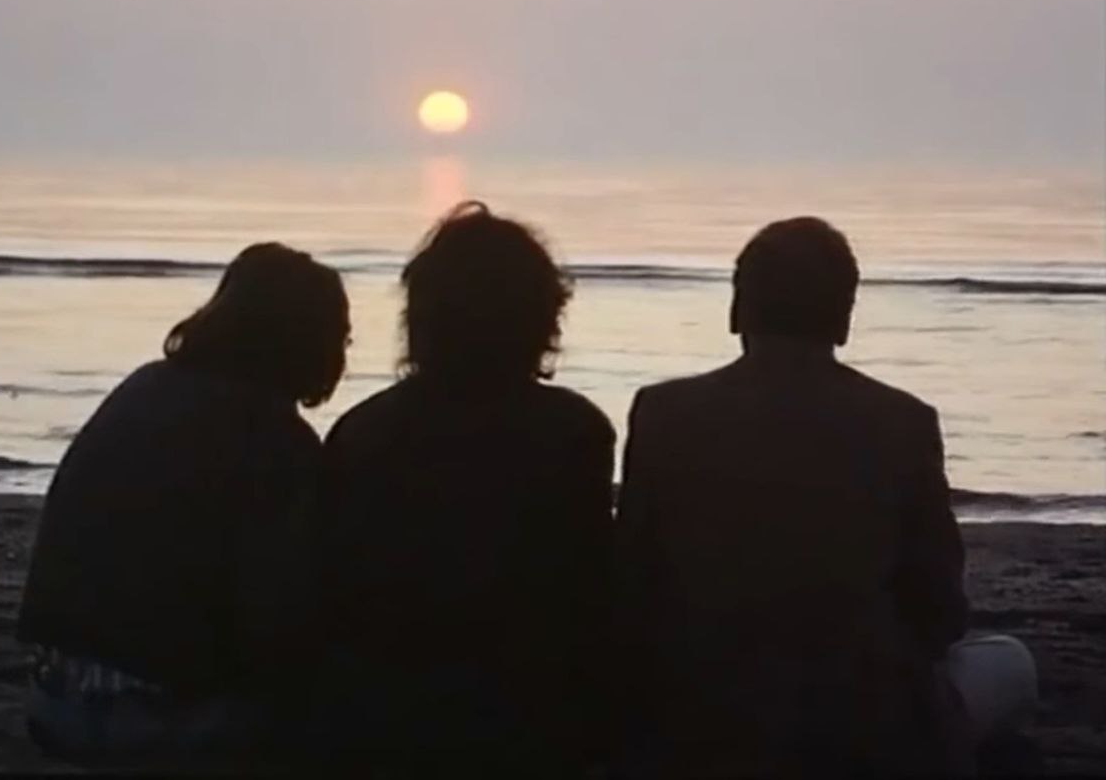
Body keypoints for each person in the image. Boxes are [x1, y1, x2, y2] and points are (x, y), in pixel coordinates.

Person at [615, 217, 1036, 776]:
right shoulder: (902, 421)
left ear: (738, 310)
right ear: (843, 319)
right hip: (856, 723)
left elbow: (634, 575)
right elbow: (939, 605)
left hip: (704, 712)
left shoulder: (663, 412)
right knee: (1008, 662)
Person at [17, 243, 349, 770]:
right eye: (341, 337)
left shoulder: (143, 386)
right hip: (158, 715)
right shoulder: (273, 439)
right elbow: (276, 615)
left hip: (55, 691)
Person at [316, 202, 615, 775]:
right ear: (540, 317)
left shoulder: (366, 431)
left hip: (385, 714)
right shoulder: (573, 431)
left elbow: (339, 590)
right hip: (532, 713)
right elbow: (587, 588)